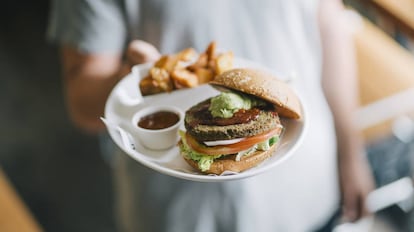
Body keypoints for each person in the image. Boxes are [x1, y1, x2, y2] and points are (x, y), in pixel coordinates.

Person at [48, 0, 375, 231]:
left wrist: (351, 152)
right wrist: (141, 78)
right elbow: (82, 102)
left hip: (306, 192)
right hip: (176, 213)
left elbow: (329, 25)